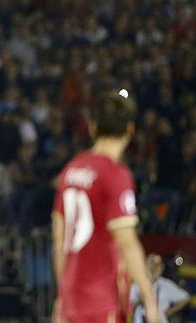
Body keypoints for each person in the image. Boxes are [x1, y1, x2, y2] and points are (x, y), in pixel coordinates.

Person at [51, 91, 160, 323]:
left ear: (92, 127)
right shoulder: (115, 174)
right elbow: (127, 243)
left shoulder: (71, 170)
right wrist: (150, 300)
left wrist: (61, 296)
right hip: (101, 299)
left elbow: (59, 239)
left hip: (72, 299)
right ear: (130, 129)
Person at [130, 254, 190, 323]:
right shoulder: (137, 285)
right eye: (151, 266)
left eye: (156, 266)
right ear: (145, 267)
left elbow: (185, 298)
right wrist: (140, 300)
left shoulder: (165, 284)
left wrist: (167, 313)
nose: (153, 269)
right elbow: (128, 308)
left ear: (161, 268)